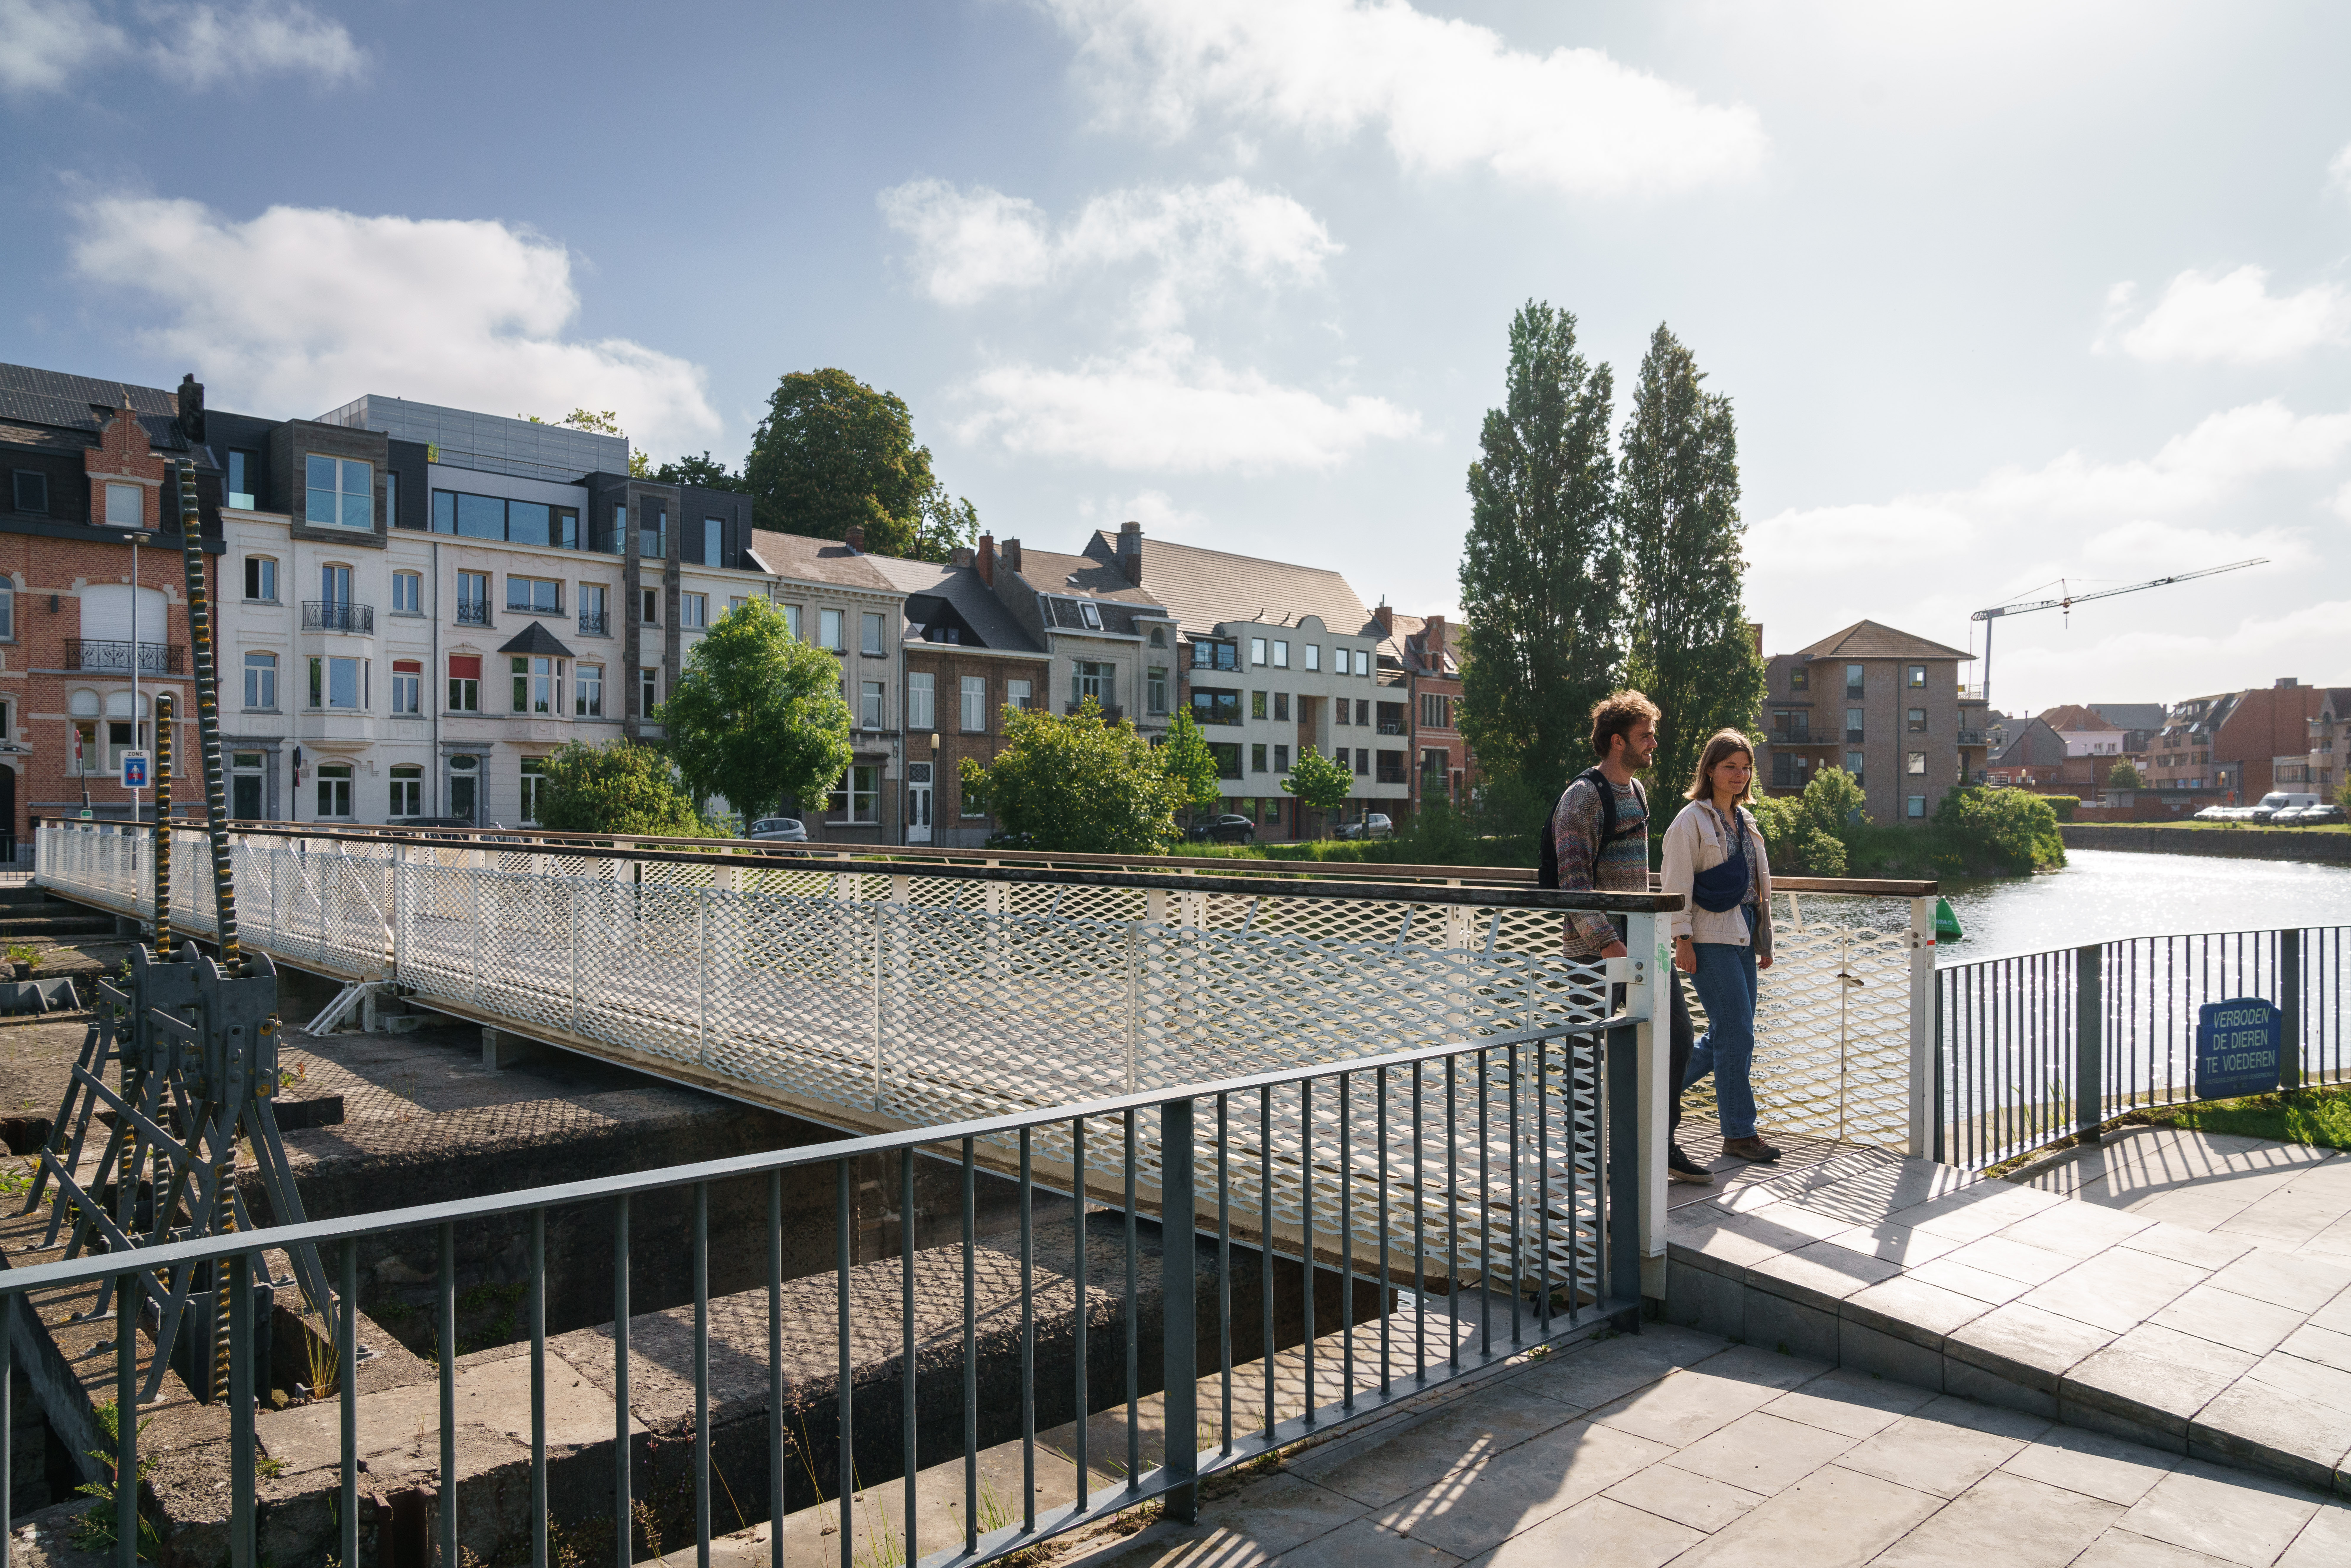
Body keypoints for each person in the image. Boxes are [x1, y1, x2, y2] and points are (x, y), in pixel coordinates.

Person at [1546, 691, 1709, 1184]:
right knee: (1588, 1048)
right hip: (1597, 952)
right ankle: (1585, 1153)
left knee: (1678, 1037)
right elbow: (1573, 885)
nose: (1654, 744)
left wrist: (1652, 937)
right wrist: (1608, 945)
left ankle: (1660, 1142)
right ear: (1618, 742)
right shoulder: (1582, 798)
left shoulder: (1636, 793)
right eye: (1645, 736)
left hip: (1643, 943)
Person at [1660, 729, 1779, 1163]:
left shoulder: (1747, 822)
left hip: (1745, 933)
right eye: (1730, 766)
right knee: (1738, 1033)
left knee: (1728, 1036)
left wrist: (1765, 941)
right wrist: (1683, 939)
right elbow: (1675, 886)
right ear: (1709, 769)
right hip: (1708, 938)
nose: (1740, 774)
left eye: (1745, 767)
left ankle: (1654, 1092)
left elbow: (1759, 888)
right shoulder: (1689, 821)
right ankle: (1739, 1133)